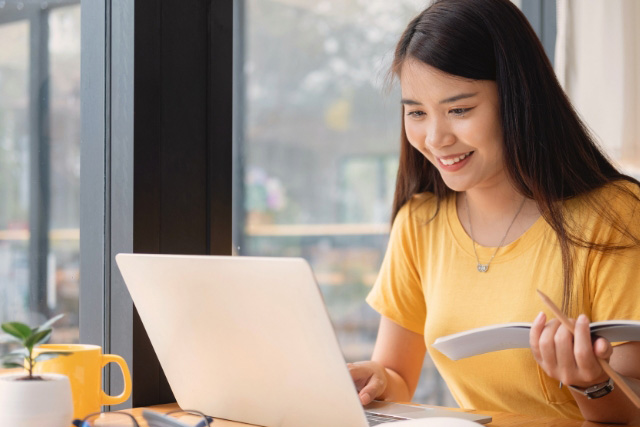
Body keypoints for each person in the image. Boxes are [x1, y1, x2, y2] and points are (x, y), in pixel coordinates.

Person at [348, 0, 640, 424]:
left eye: (459, 110)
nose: (435, 138)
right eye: (416, 113)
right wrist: (372, 379)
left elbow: (632, 410)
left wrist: (590, 382)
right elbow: (396, 376)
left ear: (518, 98)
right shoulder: (420, 221)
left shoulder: (614, 214)